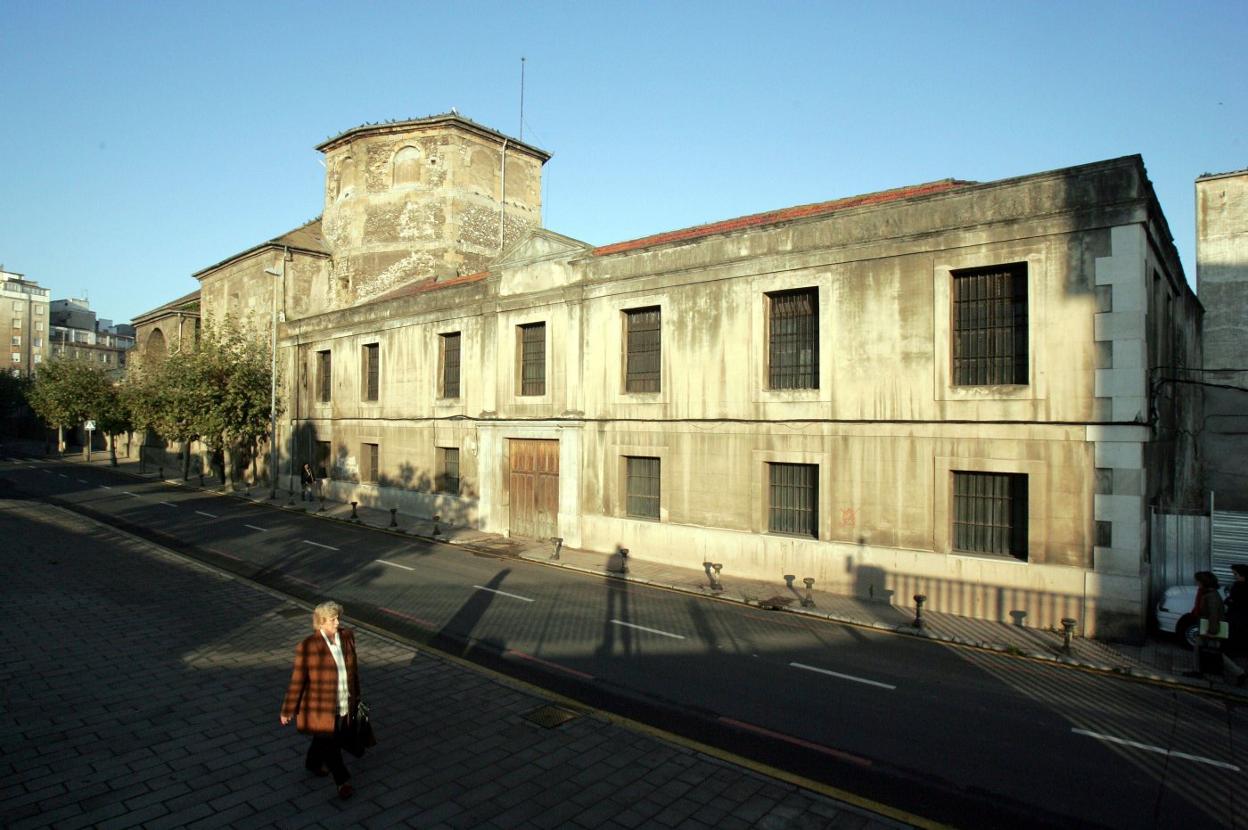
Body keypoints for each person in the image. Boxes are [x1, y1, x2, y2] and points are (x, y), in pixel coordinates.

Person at [280, 601, 361, 799]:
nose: (337, 622)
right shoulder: (308, 646)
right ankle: (342, 782)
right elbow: (298, 680)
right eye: (333, 619)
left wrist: (356, 697)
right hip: (320, 705)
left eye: (338, 618)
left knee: (324, 736)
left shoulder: (346, 637)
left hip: (343, 699)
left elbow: (353, 671)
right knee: (331, 742)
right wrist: (287, 709)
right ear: (321, 623)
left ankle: (313, 762)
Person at [1225, 564, 1248, 688]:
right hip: (1242, 622)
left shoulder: (1239, 587)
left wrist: (1229, 601)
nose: (1234, 577)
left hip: (1237, 621)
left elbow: (1233, 601)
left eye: (1235, 574)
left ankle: (1238, 674)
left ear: (1243, 576)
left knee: (1228, 649)